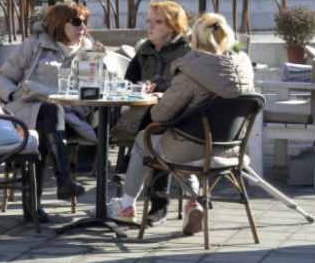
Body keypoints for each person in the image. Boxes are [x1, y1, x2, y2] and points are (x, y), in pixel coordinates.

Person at [107, 12, 254, 236]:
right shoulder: (244, 72)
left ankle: (126, 205)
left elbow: (160, 113)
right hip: (231, 150)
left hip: (193, 148)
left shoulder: (192, 71)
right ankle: (194, 202)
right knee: (184, 141)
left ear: (196, 40)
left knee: (146, 139)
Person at [0, 3, 101, 223]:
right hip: (26, 111)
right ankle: (63, 181)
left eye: (84, 22)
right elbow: (3, 77)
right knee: (48, 117)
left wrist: (97, 62)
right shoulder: (34, 45)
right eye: (76, 22)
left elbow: (91, 93)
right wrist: (13, 95)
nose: (82, 27)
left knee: (49, 119)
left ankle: (34, 203)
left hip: (69, 117)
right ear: (59, 24)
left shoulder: (88, 52)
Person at [121, 0, 193, 226]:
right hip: (140, 115)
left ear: (172, 25)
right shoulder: (143, 52)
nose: (150, 26)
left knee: (156, 131)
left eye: (157, 21)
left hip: (178, 118)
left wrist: (158, 87)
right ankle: (133, 196)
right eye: (148, 21)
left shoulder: (187, 53)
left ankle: (155, 203)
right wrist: (141, 87)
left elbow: (184, 88)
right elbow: (128, 84)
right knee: (152, 127)